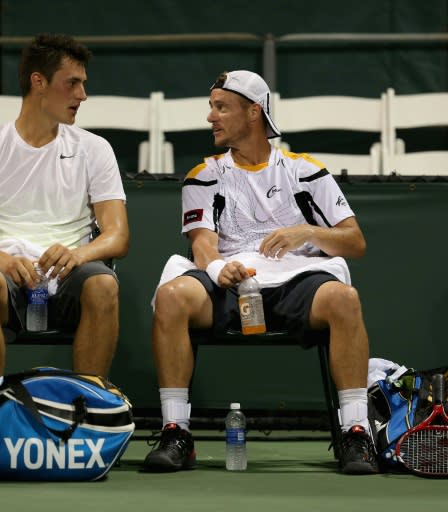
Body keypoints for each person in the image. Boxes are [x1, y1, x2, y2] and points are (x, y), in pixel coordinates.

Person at [143, 70, 377, 474]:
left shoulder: (306, 172)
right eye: (211, 107)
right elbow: (201, 244)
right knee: (170, 297)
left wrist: (306, 232)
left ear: (253, 113)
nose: (211, 117)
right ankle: (174, 431)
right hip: (228, 283)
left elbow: (355, 242)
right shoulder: (204, 174)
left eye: (221, 107)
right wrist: (219, 268)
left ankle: (355, 432)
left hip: (295, 283)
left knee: (345, 299)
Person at [0, 34, 129, 389]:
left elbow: (118, 236)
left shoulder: (95, 148)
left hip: (71, 279)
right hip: (5, 283)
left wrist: (78, 254)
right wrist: (2, 260)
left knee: (103, 282)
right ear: (38, 82)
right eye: (72, 83)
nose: (82, 95)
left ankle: (88, 407)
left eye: (83, 84)